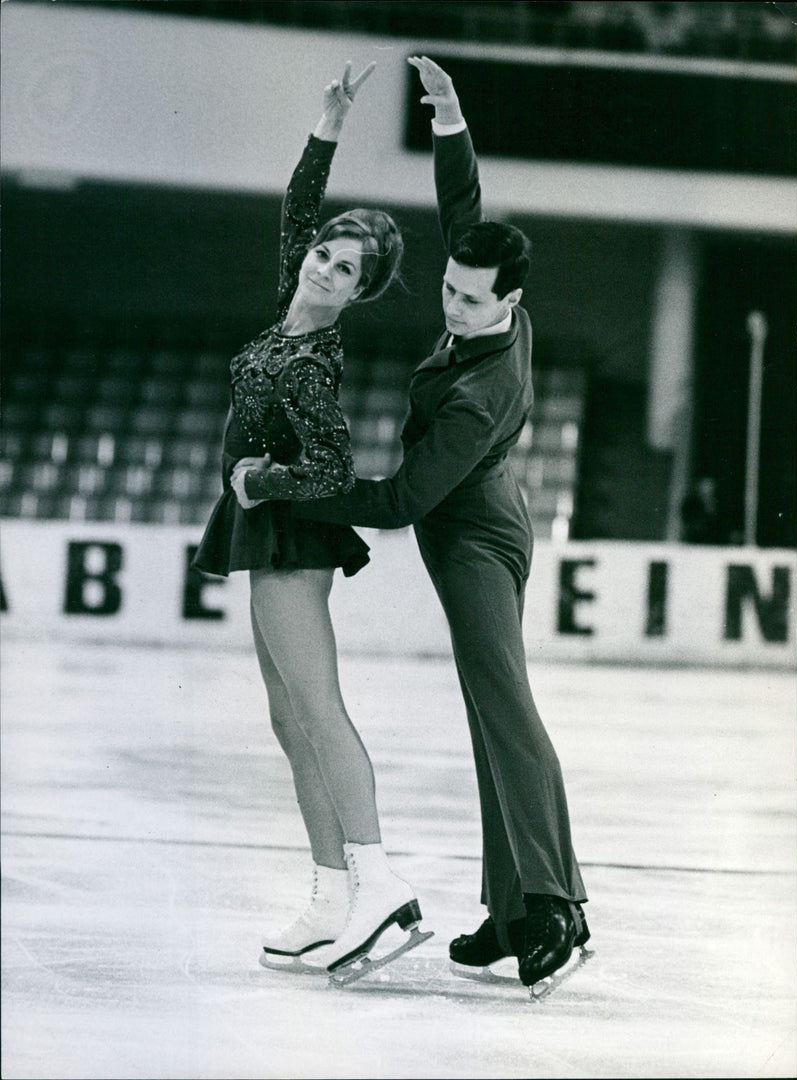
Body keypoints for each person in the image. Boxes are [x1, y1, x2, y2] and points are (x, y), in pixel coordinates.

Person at [238, 56, 590, 994]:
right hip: (459, 525)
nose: (456, 305)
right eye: (449, 290)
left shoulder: (485, 388)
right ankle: (510, 912)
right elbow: (464, 212)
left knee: (504, 704)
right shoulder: (483, 284)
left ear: (510, 305)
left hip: (475, 534)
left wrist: (282, 490)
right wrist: (449, 120)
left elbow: (396, 502)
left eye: (473, 301)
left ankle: (556, 905)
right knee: (487, 708)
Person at [193, 62, 429, 979]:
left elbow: (331, 464)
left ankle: (380, 881)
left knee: (317, 709)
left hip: (290, 540)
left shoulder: (310, 360)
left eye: (349, 270)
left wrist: (259, 481)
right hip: (265, 534)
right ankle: (332, 893)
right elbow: (298, 205)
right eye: (328, 254)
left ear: (361, 291)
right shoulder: (287, 310)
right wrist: (327, 125)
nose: (330, 268)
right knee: (288, 717)